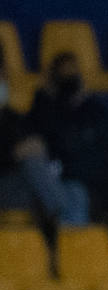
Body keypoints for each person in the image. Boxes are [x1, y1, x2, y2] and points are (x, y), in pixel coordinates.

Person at [0, 50, 88, 227]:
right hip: (4, 186)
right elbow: (18, 155)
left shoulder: (13, 118)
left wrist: (37, 147)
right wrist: (14, 154)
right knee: (33, 163)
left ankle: (71, 240)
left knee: (75, 190)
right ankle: (65, 226)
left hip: (28, 185)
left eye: (2, 75)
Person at [27, 52, 108, 221]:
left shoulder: (94, 110)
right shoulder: (44, 107)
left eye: (72, 74)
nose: (68, 80)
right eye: (63, 75)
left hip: (84, 182)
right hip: (51, 182)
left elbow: (103, 149)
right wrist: (47, 97)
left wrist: (82, 102)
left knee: (76, 193)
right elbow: (39, 141)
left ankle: (70, 242)